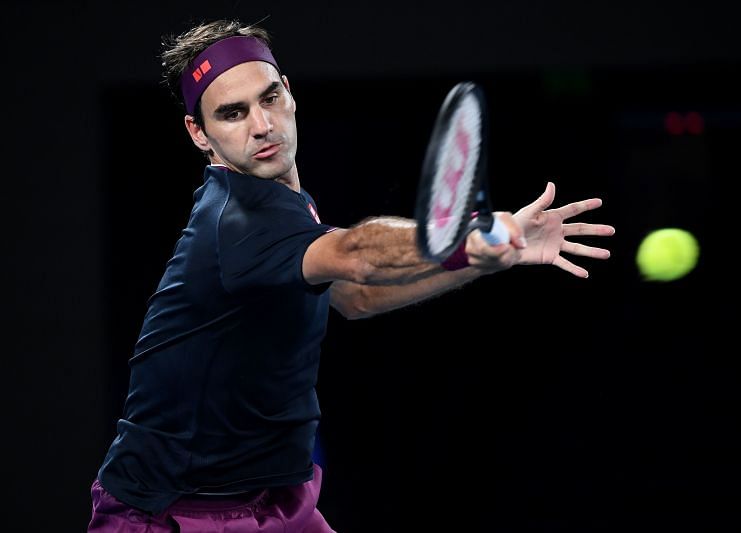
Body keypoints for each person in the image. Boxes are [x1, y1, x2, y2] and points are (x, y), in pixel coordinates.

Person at [88, 18, 615, 532]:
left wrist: (483, 258)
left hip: (273, 499)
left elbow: (356, 295)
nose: (262, 126)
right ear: (199, 134)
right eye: (232, 113)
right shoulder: (237, 222)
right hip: (173, 512)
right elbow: (359, 252)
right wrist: (469, 234)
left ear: (289, 93)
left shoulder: (286, 206)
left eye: (269, 98)